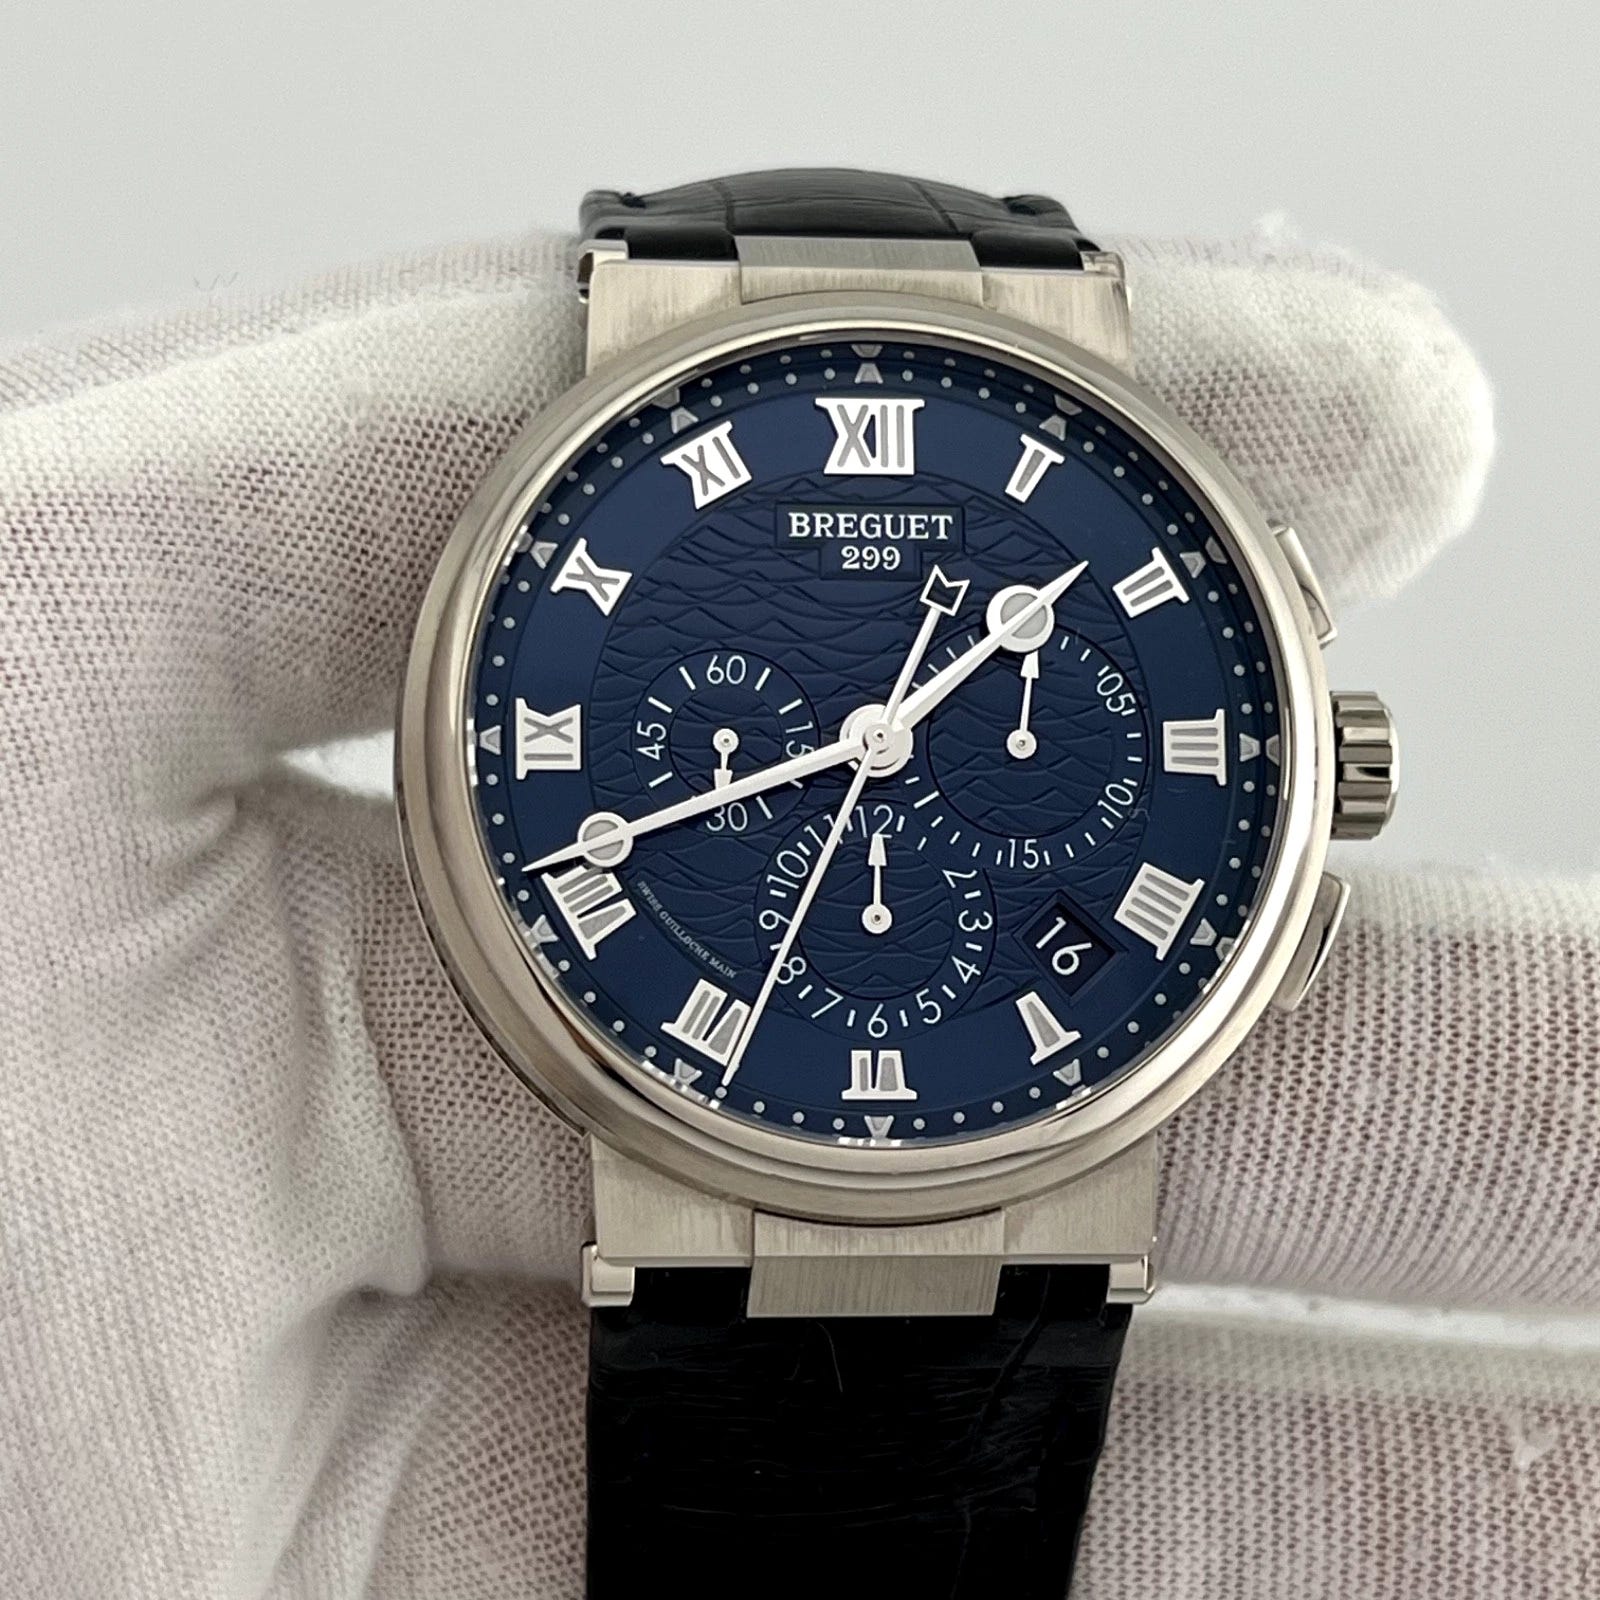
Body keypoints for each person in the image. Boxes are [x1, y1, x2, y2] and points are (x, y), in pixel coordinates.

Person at [1, 222, 1593, 1598]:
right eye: (867, 739)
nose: (878, 745)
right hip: (722, 1116)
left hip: (970, 1130)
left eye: (883, 734)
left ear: (1329, 767)